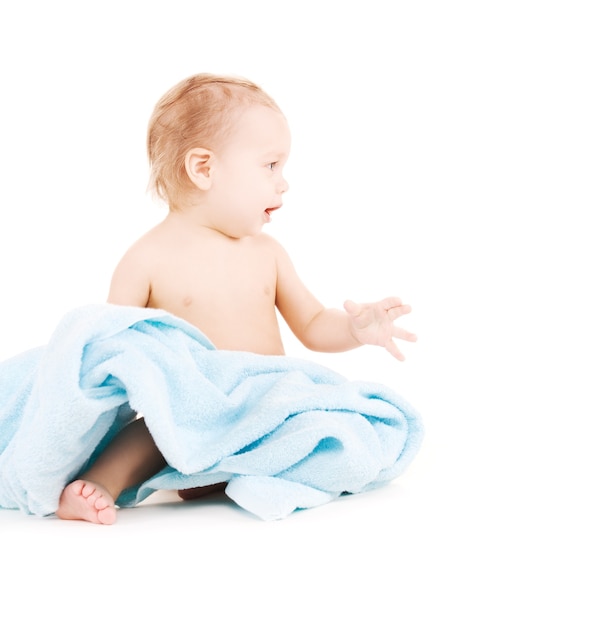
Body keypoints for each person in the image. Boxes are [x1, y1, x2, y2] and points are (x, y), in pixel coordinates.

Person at [56, 73, 417, 524]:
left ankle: (274, 471)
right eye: (271, 166)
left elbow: (311, 324)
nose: (283, 183)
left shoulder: (268, 254)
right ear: (204, 168)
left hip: (267, 408)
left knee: (324, 422)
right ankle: (98, 486)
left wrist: (353, 329)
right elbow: (115, 349)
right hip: (192, 420)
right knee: (144, 437)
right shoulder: (146, 258)